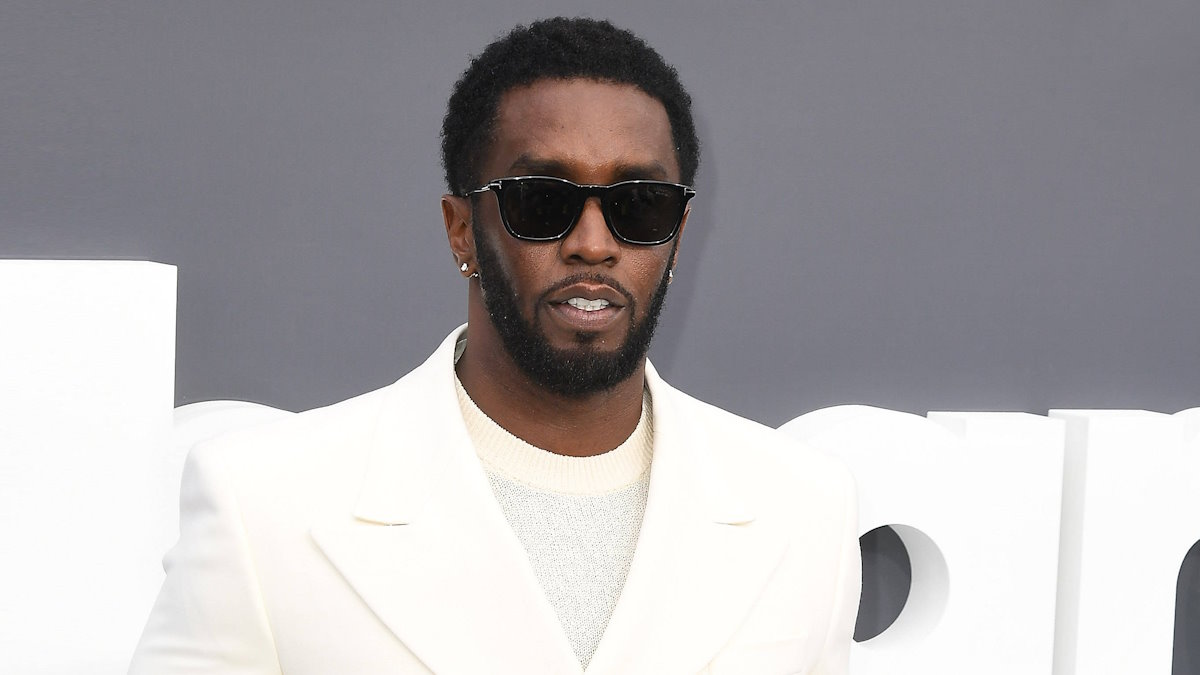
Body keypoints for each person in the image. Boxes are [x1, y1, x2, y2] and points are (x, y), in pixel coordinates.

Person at [130, 17, 860, 675]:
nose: (593, 243)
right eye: (541, 201)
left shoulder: (805, 513)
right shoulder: (263, 507)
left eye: (640, 205)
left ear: (677, 237)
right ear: (461, 231)